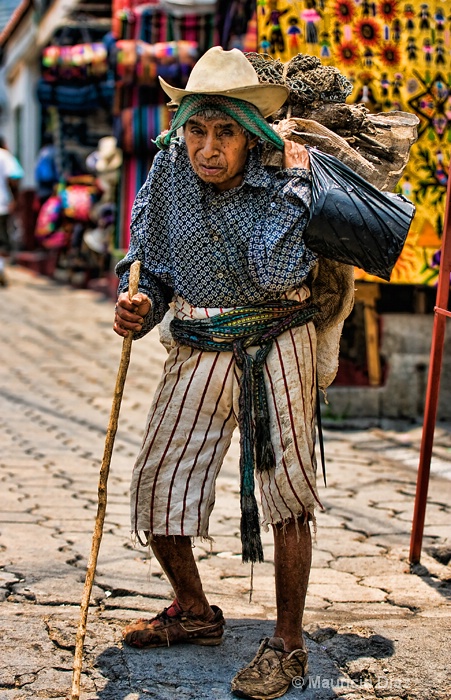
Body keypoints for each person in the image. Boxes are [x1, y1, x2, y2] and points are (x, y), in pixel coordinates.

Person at [114, 46, 322, 700]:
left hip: (277, 336)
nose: (207, 147)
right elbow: (147, 258)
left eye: (224, 132)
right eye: (196, 130)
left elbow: (278, 273)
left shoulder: (281, 174)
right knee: (158, 481)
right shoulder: (169, 167)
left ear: (249, 132)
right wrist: (139, 300)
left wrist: (291, 186)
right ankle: (194, 612)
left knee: (287, 490)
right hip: (198, 339)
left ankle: (287, 642)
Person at [0, 136, 24, 257]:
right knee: (3, 238)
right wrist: (15, 198)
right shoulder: (4, 155)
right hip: (2, 202)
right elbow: (15, 177)